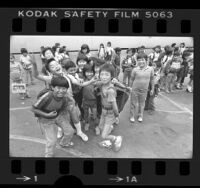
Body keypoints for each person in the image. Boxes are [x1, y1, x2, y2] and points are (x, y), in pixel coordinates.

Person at [32, 58, 91, 142]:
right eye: (52, 66)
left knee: (75, 117)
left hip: (70, 101)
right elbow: (36, 75)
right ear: (49, 71)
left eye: (56, 64)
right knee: (62, 119)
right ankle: (61, 130)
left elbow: (77, 82)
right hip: (59, 103)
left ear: (60, 65)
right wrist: (34, 65)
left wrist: (85, 80)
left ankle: (79, 132)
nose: (56, 66)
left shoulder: (67, 75)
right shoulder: (51, 79)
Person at [31, 76, 76, 157]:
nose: (61, 91)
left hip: (58, 115)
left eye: (64, 88)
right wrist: (46, 115)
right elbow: (33, 109)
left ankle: (64, 143)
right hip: (46, 119)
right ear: (52, 87)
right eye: (58, 88)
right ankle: (48, 154)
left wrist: (69, 107)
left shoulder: (65, 97)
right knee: (52, 141)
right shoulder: (47, 96)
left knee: (70, 131)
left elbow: (65, 106)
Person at [94, 63, 123, 152]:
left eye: (107, 75)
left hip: (110, 113)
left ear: (112, 76)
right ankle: (109, 129)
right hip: (103, 111)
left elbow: (114, 105)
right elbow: (95, 82)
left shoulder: (110, 90)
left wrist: (117, 115)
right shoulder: (102, 84)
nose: (104, 77)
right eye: (102, 74)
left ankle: (116, 139)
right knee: (101, 126)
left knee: (103, 135)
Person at [129, 53, 154, 123]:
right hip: (135, 89)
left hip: (144, 90)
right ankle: (132, 116)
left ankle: (140, 116)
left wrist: (152, 89)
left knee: (142, 104)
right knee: (133, 103)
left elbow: (152, 79)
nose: (141, 62)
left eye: (142, 60)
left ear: (146, 60)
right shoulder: (135, 69)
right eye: (139, 60)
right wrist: (130, 87)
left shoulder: (150, 69)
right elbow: (131, 79)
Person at [82, 64, 99, 133]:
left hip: (94, 101)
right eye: (87, 72)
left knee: (94, 115)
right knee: (86, 114)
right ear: (84, 73)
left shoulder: (96, 79)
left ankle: (96, 126)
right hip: (85, 101)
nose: (89, 74)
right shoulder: (82, 80)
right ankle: (87, 123)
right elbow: (81, 85)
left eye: (91, 72)